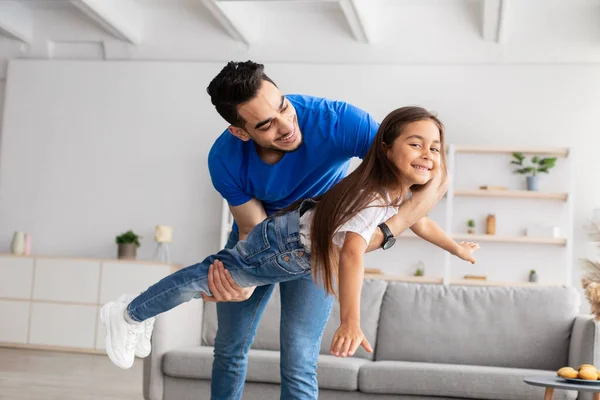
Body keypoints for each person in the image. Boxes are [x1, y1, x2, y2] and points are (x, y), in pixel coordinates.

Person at [102, 61, 449, 400]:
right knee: (229, 348)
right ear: (240, 131)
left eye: (284, 106)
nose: (286, 126)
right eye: (267, 125)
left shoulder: (338, 120)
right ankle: (131, 312)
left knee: (300, 358)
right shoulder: (223, 159)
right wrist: (243, 280)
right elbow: (252, 228)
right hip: (262, 240)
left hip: (319, 244)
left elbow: (418, 169)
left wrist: (406, 228)